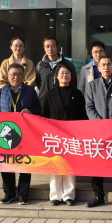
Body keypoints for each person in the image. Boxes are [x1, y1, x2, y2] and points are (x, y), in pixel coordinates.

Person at [84, 55, 112, 209]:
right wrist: (100, 123)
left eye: (109, 64)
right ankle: (98, 196)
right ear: (98, 68)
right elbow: (89, 107)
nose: (106, 67)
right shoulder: (92, 85)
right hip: (98, 132)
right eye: (103, 65)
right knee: (97, 164)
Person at [39, 63, 87, 207]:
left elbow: (82, 115)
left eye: (67, 73)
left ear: (71, 76)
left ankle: (69, 195)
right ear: (57, 76)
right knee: (55, 164)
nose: (65, 75)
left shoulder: (77, 94)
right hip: (54, 136)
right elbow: (43, 115)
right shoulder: (49, 94)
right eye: (62, 73)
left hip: (72, 136)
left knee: (70, 165)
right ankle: (55, 195)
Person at [0, 63, 41, 205]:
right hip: (6, 133)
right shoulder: (1, 92)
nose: (16, 77)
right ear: (8, 76)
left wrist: (30, 112)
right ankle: (9, 194)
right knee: (6, 163)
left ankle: (23, 194)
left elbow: (38, 108)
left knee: (25, 162)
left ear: (23, 76)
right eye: (13, 74)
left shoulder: (30, 91)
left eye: (19, 74)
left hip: (25, 132)